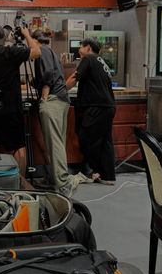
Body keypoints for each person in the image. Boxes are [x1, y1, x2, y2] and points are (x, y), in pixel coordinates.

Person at [0, 24, 41, 177]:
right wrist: (27, 35)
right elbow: (37, 52)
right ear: (5, 38)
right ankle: (20, 181)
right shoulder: (11, 52)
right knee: (18, 147)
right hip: (12, 109)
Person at [32, 30, 82, 198]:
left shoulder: (42, 51)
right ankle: (55, 179)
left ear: (35, 41)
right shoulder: (50, 51)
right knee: (57, 142)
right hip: (60, 99)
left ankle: (62, 184)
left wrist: (44, 95)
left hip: (52, 100)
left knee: (54, 144)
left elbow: (47, 74)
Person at [66, 37, 116, 185]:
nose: (79, 49)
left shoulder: (88, 58)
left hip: (96, 106)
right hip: (108, 106)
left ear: (88, 48)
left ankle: (89, 172)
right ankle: (106, 175)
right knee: (105, 141)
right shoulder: (101, 61)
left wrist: (60, 89)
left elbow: (75, 78)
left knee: (85, 138)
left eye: (81, 46)